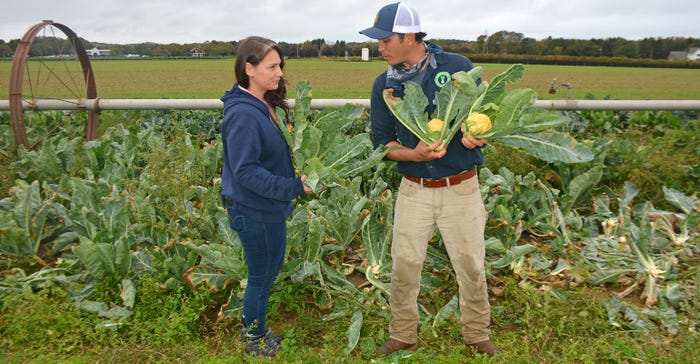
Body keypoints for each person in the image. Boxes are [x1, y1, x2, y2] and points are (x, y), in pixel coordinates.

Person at [359, 2, 500, 357]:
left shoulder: (457, 68)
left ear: (409, 36)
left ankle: (477, 333)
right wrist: (414, 154)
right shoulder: (383, 85)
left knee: (471, 264)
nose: (380, 47)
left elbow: (484, 115)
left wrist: (477, 135)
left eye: (386, 39)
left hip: (461, 186)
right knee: (404, 264)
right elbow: (382, 144)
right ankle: (403, 333)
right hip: (414, 189)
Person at [220, 36, 313, 357]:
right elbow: (245, 171)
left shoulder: (263, 105)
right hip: (253, 209)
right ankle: (254, 339)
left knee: (268, 272)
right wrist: (293, 187)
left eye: (279, 66)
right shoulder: (244, 115)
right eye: (271, 66)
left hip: (267, 207)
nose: (279, 73)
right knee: (261, 276)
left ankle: (256, 327)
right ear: (249, 69)